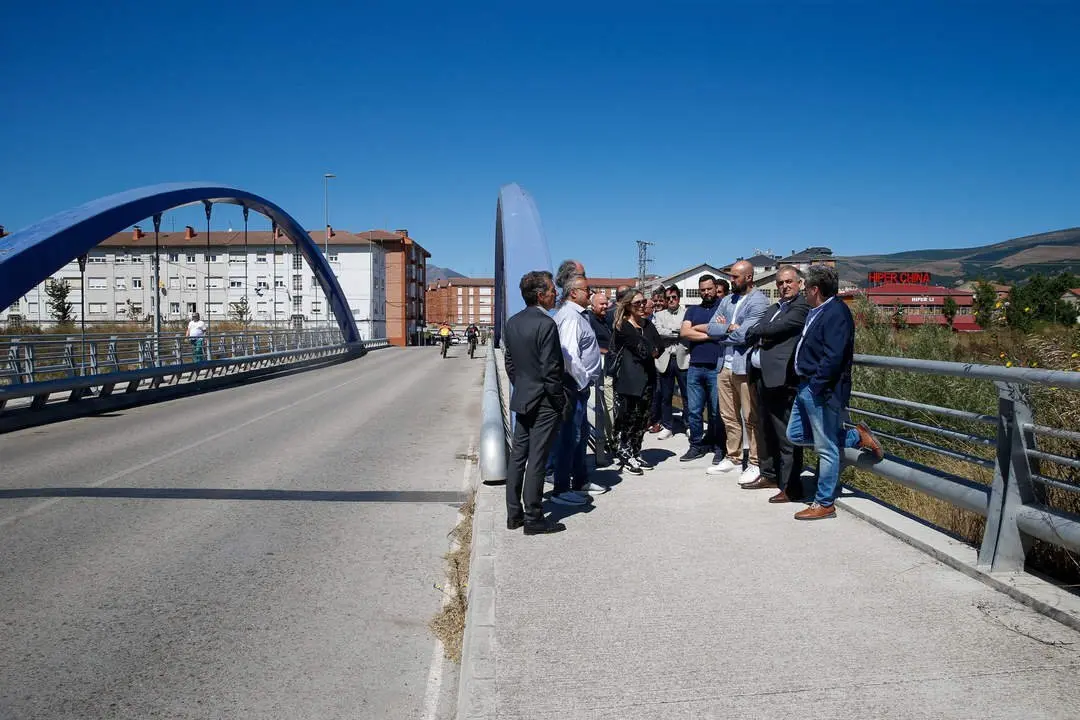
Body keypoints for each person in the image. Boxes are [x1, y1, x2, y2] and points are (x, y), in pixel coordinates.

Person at [787, 265, 883, 520]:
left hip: (821, 389)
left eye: (805, 288)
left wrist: (816, 385)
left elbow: (833, 356)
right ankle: (855, 437)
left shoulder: (836, 313)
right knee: (795, 433)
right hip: (806, 385)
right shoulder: (816, 311)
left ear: (815, 289)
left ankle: (825, 503)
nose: (803, 292)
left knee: (826, 448)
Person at [503, 271, 567, 535]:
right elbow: (551, 370)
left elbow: (509, 362)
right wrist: (559, 401)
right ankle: (533, 518)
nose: (556, 294)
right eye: (552, 290)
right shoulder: (547, 324)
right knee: (538, 458)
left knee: (518, 457)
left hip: (523, 397)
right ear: (541, 295)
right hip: (543, 401)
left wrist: (522, 385)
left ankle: (513, 515)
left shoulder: (513, 322)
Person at [741, 266, 811, 502]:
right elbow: (751, 331)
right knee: (765, 429)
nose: (784, 286)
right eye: (780, 283)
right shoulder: (775, 307)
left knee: (785, 434)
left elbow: (779, 327)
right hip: (762, 377)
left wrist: (761, 331)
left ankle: (792, 486)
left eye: (789, 282)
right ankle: (769, 474)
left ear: (800, 283)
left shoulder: (801, 307)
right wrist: (761, 331)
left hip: (782, 379)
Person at [697, 261, 769, 484]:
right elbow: (712, 327)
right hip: (723, 365)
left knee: (750, 416)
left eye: (736, 277)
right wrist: (729, 328)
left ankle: (755, 462)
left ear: (748, 277)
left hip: (744, 367)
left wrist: (726, 329)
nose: (731, 280)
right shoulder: (727, 300)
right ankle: (734, 457)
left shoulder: (759, 301)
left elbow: (746, 335)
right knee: (728, 415)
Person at [550, 274, 606, 504]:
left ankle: (580, 480)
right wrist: (583, 383)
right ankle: (561, 489)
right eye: (586, 289)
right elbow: (569, 355)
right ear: (573, 292)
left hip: (579, 385)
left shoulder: (577, 315)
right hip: (574, 386)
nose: (590, 293)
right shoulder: (571, 318)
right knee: (569, 437)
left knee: (580, 436)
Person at [610, 288, 662, 474]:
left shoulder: (648, 325)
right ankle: (625, 454)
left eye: (643, 302)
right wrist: (650, 349)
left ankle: (636, 451)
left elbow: (659, 347)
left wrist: (650, 349)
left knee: (642, 419)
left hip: (648, 377)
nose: (642, 306)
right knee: (628, 418)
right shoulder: (623, 326)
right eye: (637, 303)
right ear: (628, 306)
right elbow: (643, 349)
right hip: (629, 380)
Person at [679, 276, 728, 462]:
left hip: (717, 368)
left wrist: (700, 331)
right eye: (703, 290)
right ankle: (696, 446)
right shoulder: (692, 310)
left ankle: (718, 446)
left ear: (716, 288)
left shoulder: (723, 309)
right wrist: (711, 334)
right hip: (695, 367)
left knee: (717, 411)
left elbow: (726, 330)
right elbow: (685, 333)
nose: (706, 292)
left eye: (709, 288)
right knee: (694, 410)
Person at [651, 285, 689, 440]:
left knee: (687, 395)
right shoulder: (659, 315)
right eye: (668, 298)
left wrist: (672, 332)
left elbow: (688, 331)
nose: (671, 300)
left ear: (679, 298)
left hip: (683, 359)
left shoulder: (687, 313)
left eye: (674, 297)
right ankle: (667, 426)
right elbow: (658, 332)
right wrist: (678, 332)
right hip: (665, 359)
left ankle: (688, 425)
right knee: (666, 396)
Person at [587, 291, 615, 467]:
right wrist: (603, 351)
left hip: (610, 367)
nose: (605, 307)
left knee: (610, 404)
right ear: (592, 305)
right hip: (599, 369)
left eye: (606, 304)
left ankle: (609, 439)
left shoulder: (607, 319)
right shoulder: (588, 320)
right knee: (605, 404)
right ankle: (607, 441)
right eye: (601, 304)